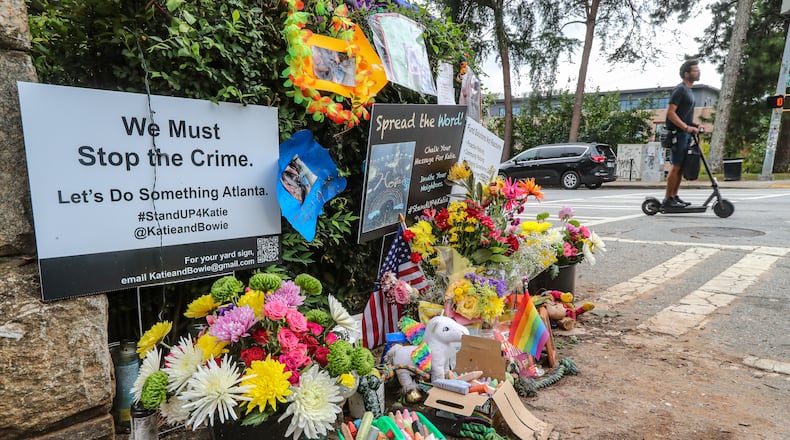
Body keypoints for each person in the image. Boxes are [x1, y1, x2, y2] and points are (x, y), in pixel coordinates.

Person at [663, 59, 701, 208]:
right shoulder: (680, 89)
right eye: (695, 70)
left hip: (685, 133)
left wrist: (693, 125)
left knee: (681, 167)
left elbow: (682, 114)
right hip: (678, 134)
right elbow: (671, 113)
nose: (698, 72)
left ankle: (674, 196)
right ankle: (667, 199)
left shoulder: (689, 91)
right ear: (686, 74)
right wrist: (686, 127)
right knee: (676, 166)